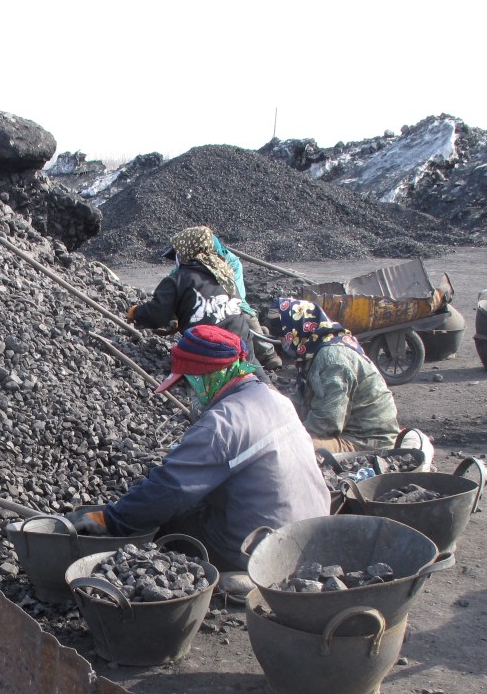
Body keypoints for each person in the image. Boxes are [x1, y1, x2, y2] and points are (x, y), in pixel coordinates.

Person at [67, 325, 330, 581]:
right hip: (311, 533)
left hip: (260, 549)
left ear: (206, 376)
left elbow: (170, 488)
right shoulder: (277, 399)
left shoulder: (221, 423)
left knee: (166, 526)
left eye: (189, 384)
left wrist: (111, 519)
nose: (189, 393)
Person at [127, 225, 281, 370]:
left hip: (210, 356)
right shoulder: (224, 274)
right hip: (241, 352)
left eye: (178, 254)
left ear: (187, 251)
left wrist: (137, 313)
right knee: (255, 377)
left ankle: (268, 356)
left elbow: (157, 313)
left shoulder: (180, 279)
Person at [273, 297, 401, 453]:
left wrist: (290, 436)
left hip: (366, 441)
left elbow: (327, 422)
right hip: (351, 431)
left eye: (283, 335)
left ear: (295, 330)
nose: (282, 341)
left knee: (291, 448)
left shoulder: (332, 359)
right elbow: (304, 403)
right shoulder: (315, 350)